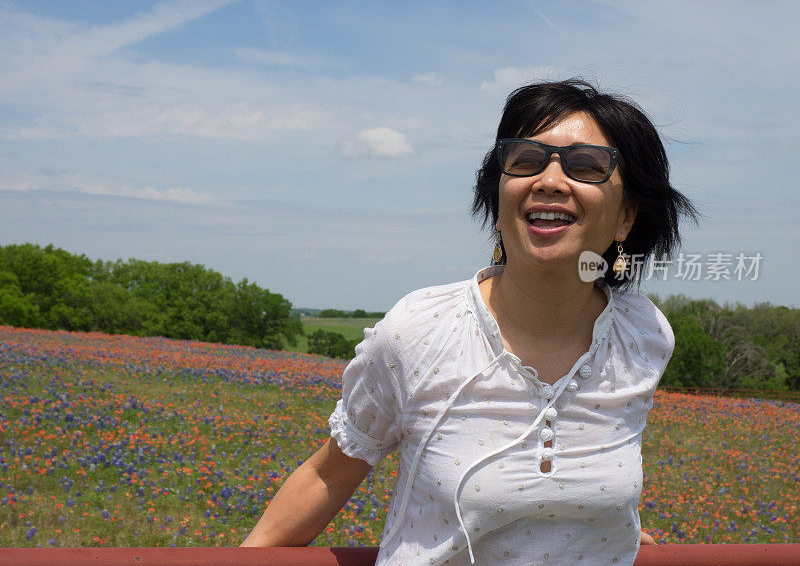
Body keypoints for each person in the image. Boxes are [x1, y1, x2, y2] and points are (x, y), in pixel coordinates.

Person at [242, 79, 698, 566]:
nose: (548, 180)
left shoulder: (643, 334)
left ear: (626, 217)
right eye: (525, 160)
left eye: (586, 166)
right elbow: (327, 476)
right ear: (498, 200)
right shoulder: (420, 332)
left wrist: (601, 524)